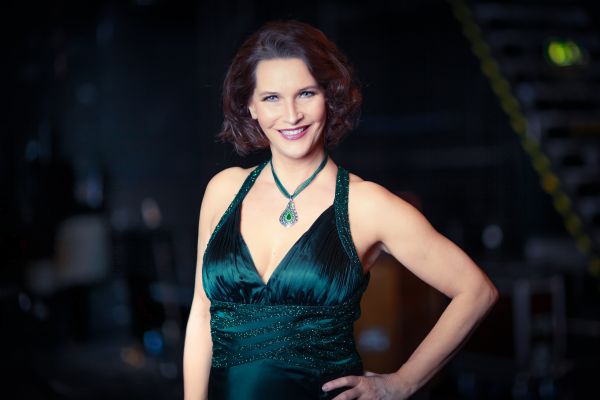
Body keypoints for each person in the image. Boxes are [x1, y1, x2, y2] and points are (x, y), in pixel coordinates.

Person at [183, 20, 498, 400]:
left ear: (328, 97)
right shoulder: (224, 190)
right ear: (250, 106)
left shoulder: (367, 204)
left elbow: (476, 291)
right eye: (271, 98)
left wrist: (402, 383)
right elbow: (201, 313)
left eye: (305, 94)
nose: (291, 115)